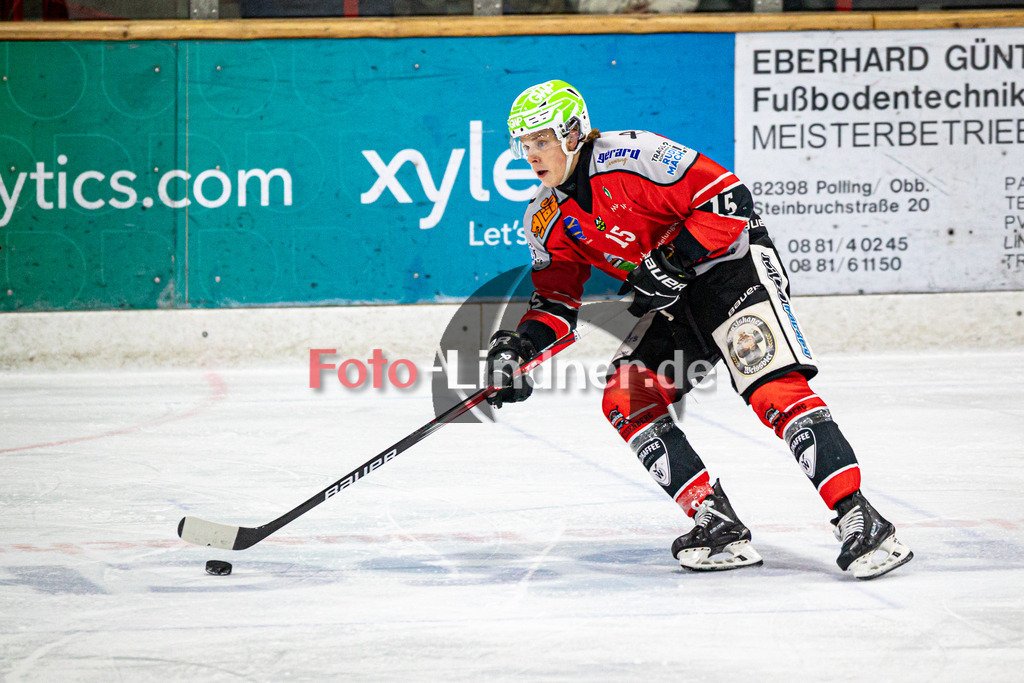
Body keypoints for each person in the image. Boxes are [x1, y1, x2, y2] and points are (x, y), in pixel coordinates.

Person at [484, 79, 913, 579]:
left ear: (574, 133)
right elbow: (556, 303)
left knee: (771, 389)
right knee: (627, 396)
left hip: (733, 270)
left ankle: (860, 516)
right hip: (677, 301)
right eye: (525, 143)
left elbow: (730, 199)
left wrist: (673, 259)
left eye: (542, 140)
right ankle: (716, 522)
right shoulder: (544, 218)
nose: (532, 154)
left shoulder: (632, 155)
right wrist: (517, 351)